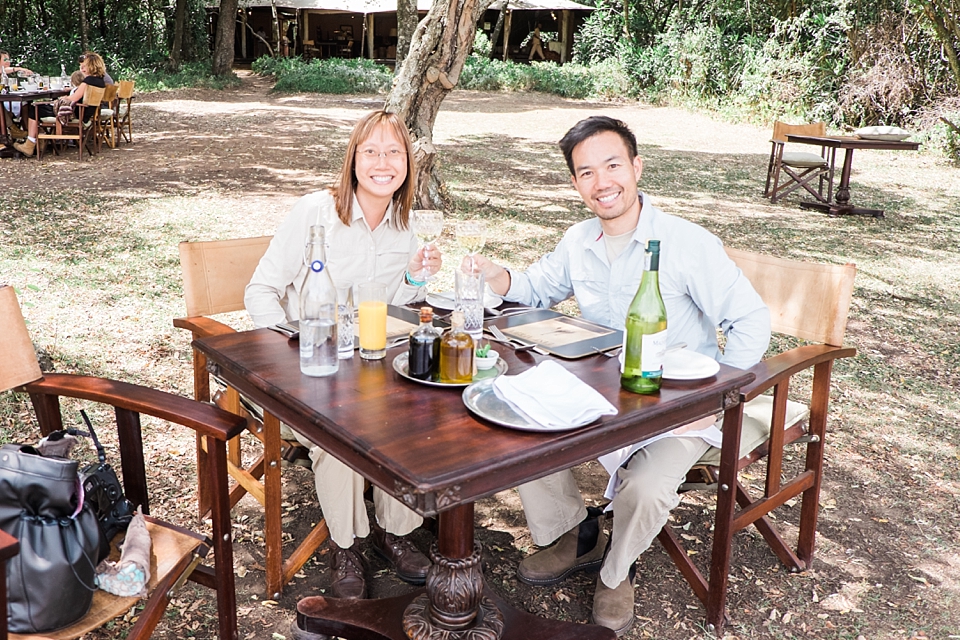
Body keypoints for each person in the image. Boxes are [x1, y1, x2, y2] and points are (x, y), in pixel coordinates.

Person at [466, 115, 771, 635]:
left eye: (612, 165)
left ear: (636, 167)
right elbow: (536, 287)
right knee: (513, 417)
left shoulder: (684, 242)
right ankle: (572, 532)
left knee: (648, 486)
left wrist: (718, 399)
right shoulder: (579, 239)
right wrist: (498, 275)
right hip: (599, 393)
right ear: (575, 183)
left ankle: (616, 569)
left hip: (673, 405)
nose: (602, 182)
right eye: (586, 172)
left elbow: (750, 321)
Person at [245, 110, 442, 600]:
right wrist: (288, 352)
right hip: (310, 371)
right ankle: (346, 545)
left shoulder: (404, 229)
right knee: (341, 433)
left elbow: (395, 307)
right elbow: (261, 290)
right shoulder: (316, 212)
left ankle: (393, 529)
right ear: (352, 159)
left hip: (370, 370)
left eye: (394, 152)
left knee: (423, 411)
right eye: (371, 151)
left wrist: (416, 277)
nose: (383, 162)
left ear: (408, 165)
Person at [13, 52, 106, 157]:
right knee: (41, 108)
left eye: (85, 66)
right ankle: (39, 141)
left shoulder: (88, 80)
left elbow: (74, 98)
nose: (82, 68)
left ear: (92, 66)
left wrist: (64, 98)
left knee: (34, 109)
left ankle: (30, 144)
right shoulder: (100, 81)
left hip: (74, 114)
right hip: (85, 115)